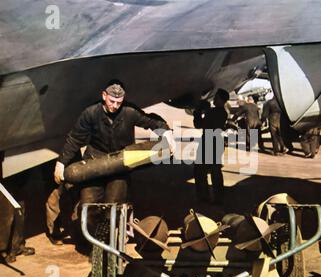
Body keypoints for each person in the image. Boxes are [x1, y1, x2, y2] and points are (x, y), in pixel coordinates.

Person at [53, 81, 176, 252]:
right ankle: (91, 241)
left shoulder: (129, 111)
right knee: (88, 206)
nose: (114, 106)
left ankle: (108, 245)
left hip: (119, 166)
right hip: (94, 164)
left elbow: (151, 121)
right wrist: (61, 162)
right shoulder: (90, 113)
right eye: (111, 101)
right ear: (104, 96)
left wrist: (167, 133)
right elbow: (74, 138)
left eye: (119, 102)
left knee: (113, 207)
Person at [193, 89, 229, 204]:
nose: (214, 99)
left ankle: (204, 196)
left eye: (216, 98)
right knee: (215, 170)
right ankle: (219, 197)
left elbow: (198, 124)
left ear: (221, 100)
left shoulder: (215, 112)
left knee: (200, 170)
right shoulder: (223, 112)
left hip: (208, 142)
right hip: (217, 142)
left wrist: (198, 111)